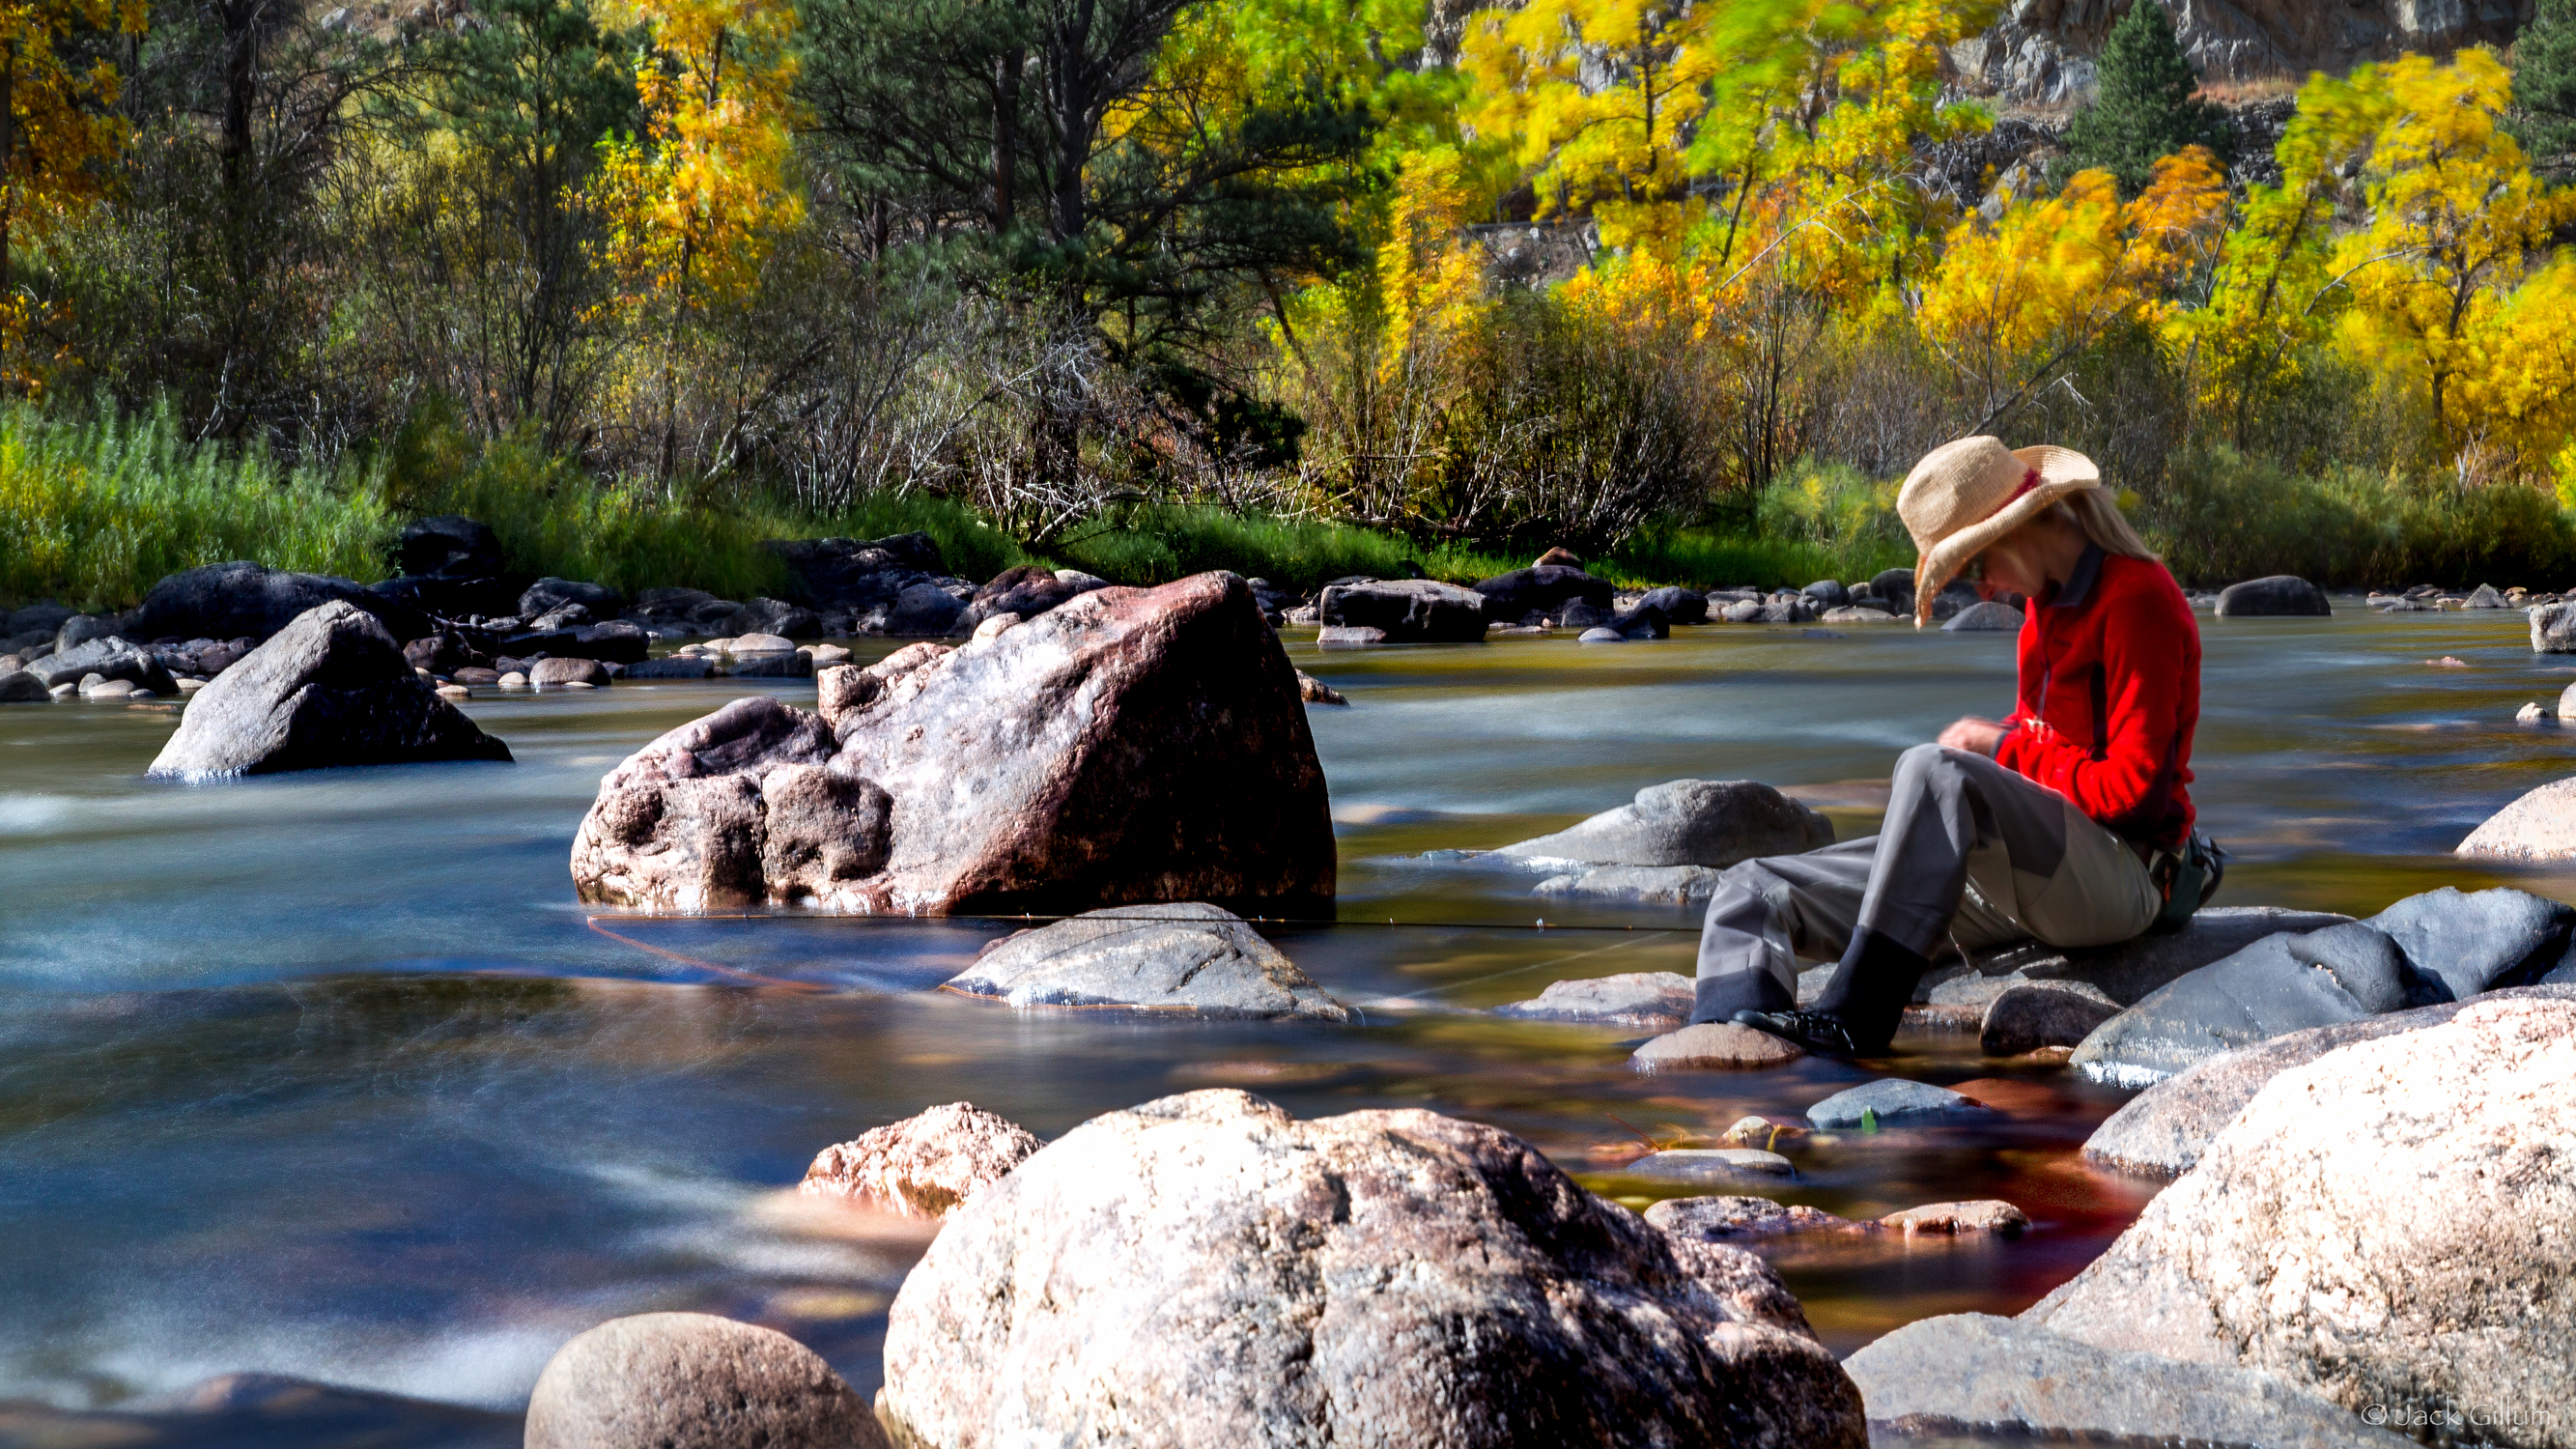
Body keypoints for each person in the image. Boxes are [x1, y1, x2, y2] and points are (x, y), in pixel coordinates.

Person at [1703, 436, 2208, 1057]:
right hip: (2036, 877)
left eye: (1975, 566)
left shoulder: (2137, 599)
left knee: (1932, 768)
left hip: (2126, 878)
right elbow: (2046, 749)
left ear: (2017, 529)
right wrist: (1996, 752)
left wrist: (1994, 751)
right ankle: (1732, 1055)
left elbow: (2136, 797)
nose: (1986, 590)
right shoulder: (2043, 616)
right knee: (1750, 888)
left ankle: (1853, 1019)